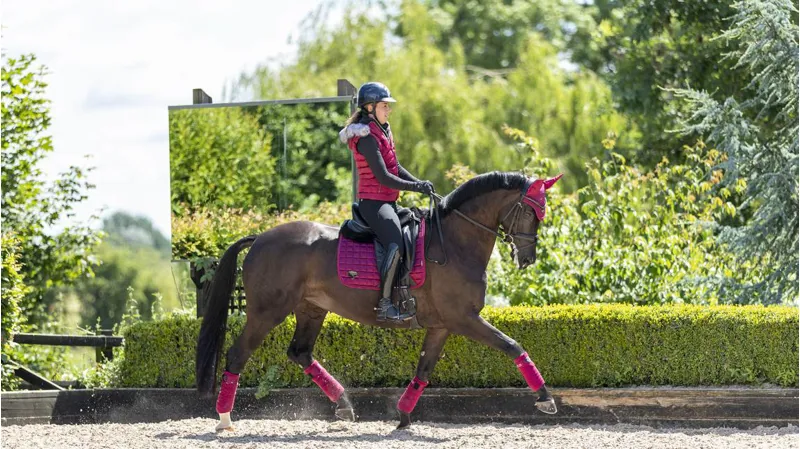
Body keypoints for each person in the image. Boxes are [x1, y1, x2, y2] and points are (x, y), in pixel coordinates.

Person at [339, 82, 434, 322]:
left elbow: (396, 168)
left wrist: (420, 183)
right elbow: (383, 177)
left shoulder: (383, 130)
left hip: (387, 202)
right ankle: (384, 304)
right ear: (369, 108)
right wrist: (414, 187)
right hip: (373, 203)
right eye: (384, 106)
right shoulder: (367, 137)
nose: (388, 110)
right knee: (395, 242)